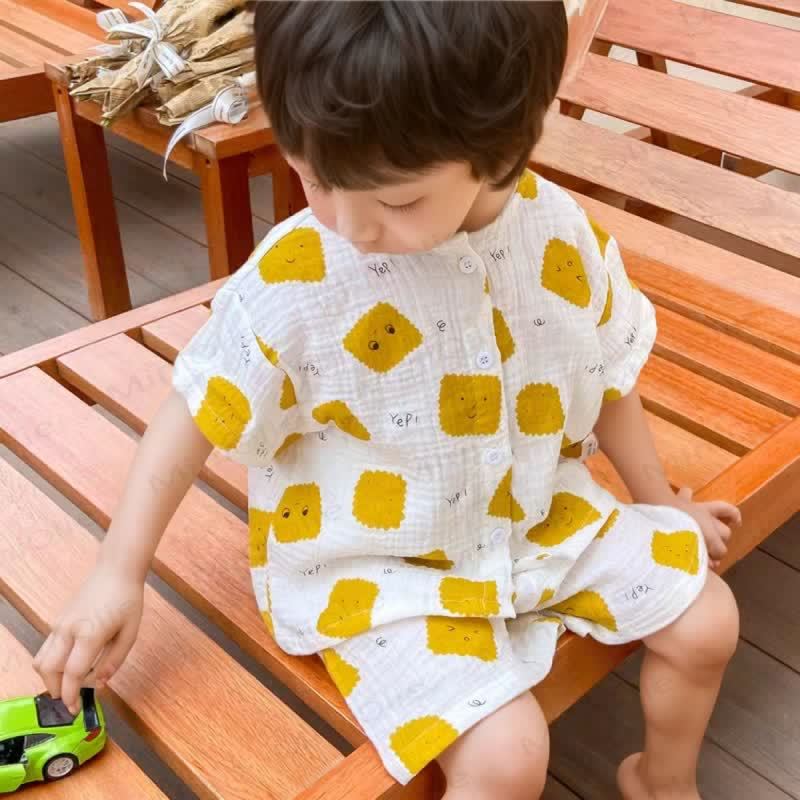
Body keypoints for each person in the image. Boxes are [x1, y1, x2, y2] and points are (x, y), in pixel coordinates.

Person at [32, 3, 742, 798]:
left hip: (538, 518)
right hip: (381, 568)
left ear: (505, 150)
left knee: (709, 621)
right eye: (313, 177)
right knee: (508, 756)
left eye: (398, 203)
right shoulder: (303, 274)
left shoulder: (559, 234)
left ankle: (662, 782)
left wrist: (659, 503)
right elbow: (195, 409)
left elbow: (607, 370)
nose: (351, 224)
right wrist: (117, 574)